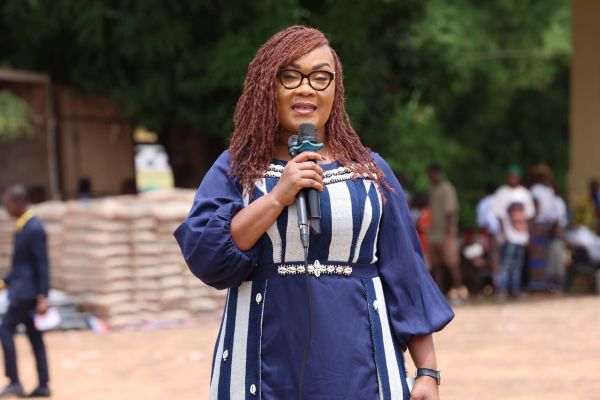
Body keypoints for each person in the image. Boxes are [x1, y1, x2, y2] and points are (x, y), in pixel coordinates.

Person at [175, 26, 454, 400]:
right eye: (290, 76)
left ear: (336, 90)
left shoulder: (371, 172)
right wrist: (278, 197)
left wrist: (428, 372)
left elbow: (405, 274)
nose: (306, 88)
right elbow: (208, 254)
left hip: (363, 368)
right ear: (267, 86)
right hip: (262, 367)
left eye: (321, 77)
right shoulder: (237, 168)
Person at [0, 185, 51, 398]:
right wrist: (4, 282)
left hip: (26, 295)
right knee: (35, 336)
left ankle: (14, 381)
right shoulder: (22, 226)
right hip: (24, 291)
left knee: (4, 330)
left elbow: (42, 264)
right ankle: (43, 384)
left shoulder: (34, 228)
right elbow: (21, 266)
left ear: (19, 203)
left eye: (7, 203)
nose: (5, 207)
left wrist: (43, 296)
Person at [492, 165, 535, 299]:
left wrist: (529, 236)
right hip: (508, 236)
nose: (513, 179)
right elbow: (499, 216)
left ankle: (515, 290)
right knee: (506, 264)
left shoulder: (525, 193)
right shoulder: (502, 193)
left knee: (518, 265)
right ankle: (501, 290)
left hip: (521, 236)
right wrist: (503, 234)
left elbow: (529, 217)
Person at [426, 163, 467, 304]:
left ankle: (458, 292)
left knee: (452, 264)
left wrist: (450, 235)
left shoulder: (447, 188)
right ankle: (439, 295)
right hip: (434, 235)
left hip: (446, 235)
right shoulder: (434, 190)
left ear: (436, 173)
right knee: (437, 266)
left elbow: (450, 213)